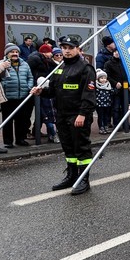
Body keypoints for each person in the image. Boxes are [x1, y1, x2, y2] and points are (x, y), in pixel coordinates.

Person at [30, 36, 97, 196]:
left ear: (78, 49)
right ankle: (72, 176)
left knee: (81, 147)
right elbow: (53, 90)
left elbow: (89, 94)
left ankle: (83, 179)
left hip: (77, 115)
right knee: (68, 147)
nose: (66, 51)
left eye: (70, 48)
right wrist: (41, 92)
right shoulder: (60, 68)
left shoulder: (86, 69)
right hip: (62, 114)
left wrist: (82, 114)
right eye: (64, 48)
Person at [0, 43, 35, 148]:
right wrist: (4, 85)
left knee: (21, 120)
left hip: (22, 97)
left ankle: (20, 139)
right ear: (7, 54)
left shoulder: (24, 64)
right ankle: (8, 141)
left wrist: (28, 87)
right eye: (12, 52)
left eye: (16, 52)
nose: (15, 54)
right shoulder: (1, 64)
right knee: (7, 120)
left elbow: (30, 77)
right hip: (8, 97)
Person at [95, 69, 113, 135]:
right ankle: (101, 128)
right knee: (100, 116)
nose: (103, 80)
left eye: (104, 78)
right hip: (99, 104)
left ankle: (106, 126)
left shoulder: (108, 85)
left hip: (107, 103)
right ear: (98, 79)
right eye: (101, 78)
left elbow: (111, 92)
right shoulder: (96, 86)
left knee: (106, 116)